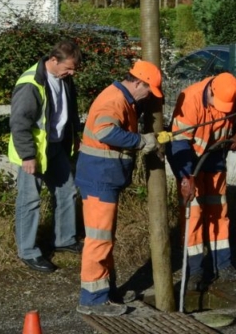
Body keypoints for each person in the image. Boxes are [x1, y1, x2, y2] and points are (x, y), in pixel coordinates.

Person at [74, 60, 170, 317]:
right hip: (99, 179)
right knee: (99, 240)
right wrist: (141, 141)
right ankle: (93, 299)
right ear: (138, 82)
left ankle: (105, 291)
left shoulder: (122, 98)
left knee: (104, 239)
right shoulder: (114, 100)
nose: (148, 95)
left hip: (102, 178)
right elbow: (105, 132)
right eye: (148, 90)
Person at [166, 71, 236, 290]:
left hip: (215, 155)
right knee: (193, 215)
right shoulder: (190, 99)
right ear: (210, 91)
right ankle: (194, 271)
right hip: (190, 159)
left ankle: (223, 265)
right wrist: (185, 177)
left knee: (218, 211)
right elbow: (179, 143)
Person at [8, 40, 84, 274]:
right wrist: (28, 156)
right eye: (68, 68)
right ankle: (28, 251)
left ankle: (64, 239)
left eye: (73, 69)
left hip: (56, 146)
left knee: (67, 191)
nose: (71, 73)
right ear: (53, 60)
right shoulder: (31, 83)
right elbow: (19, 124)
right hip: (33, 153)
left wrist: (73, 137)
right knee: (30, 201)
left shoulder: (64, 78)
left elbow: (67, 112)